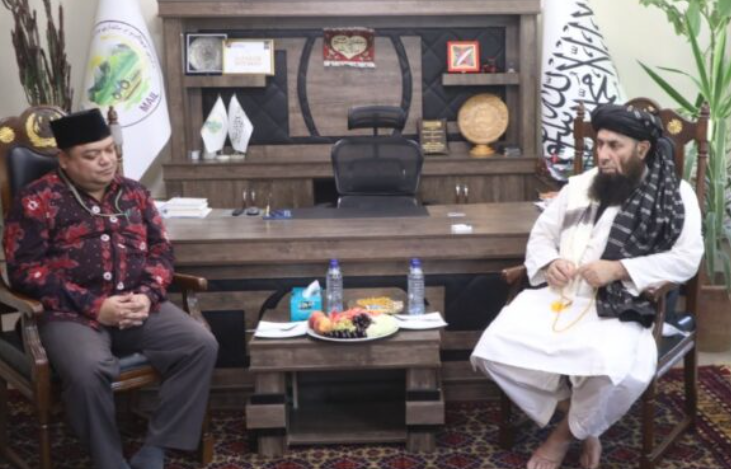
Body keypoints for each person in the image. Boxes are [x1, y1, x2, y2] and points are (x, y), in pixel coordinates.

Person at [470, 104, 703, 469]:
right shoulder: (579, 186)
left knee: (611, 367)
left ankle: (561, 438)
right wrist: (550, 263)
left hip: (621, 306)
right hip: (560, 299)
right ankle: (583, 424)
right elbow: (541, 237)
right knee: (492, 352)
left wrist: (619, 269)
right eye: (600, 144)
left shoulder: (675, 194)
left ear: (642, 148)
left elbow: (687, 259)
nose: (603, 155)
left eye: (615, 146)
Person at [2, 109, 219, 469]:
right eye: (92, 155)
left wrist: (147, 295)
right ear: (64, 160)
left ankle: (156, 448)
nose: (106, 160)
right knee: (87, 370)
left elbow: (161, 251)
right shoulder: (36, 200)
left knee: (199, 345)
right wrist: (95, 306)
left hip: (136, 304)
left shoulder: (134, 193)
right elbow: (24, 271)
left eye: (109, 150)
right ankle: (109, 460)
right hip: (70, 314)